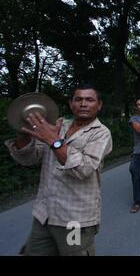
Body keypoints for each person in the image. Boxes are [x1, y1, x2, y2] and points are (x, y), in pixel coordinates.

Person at [4, 84, 112, 256]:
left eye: (89, 100)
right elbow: (29, 158)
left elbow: (83, 169)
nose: (83, 103)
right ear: (71, 104)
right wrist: (23, 132)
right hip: (44, 214)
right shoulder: (58, 125)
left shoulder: (101, 133)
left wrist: (54, 140)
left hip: (75, 220)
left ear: (99, 105)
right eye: (78, 99)